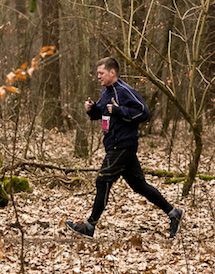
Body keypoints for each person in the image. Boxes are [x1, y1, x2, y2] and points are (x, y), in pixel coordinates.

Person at [65, 57, 183, 239]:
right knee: (139, 185)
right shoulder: (106, 91)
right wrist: (92, 109)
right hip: (114, 144)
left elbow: (143, 112)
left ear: (112, 72)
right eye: (98, 73)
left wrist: (120, 111)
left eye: (101, 73)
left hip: (122, 145)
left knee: (103, 180)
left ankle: (90, 226)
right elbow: (103, 112)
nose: (98, 77)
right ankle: (173, 213)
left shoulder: (124, 90)